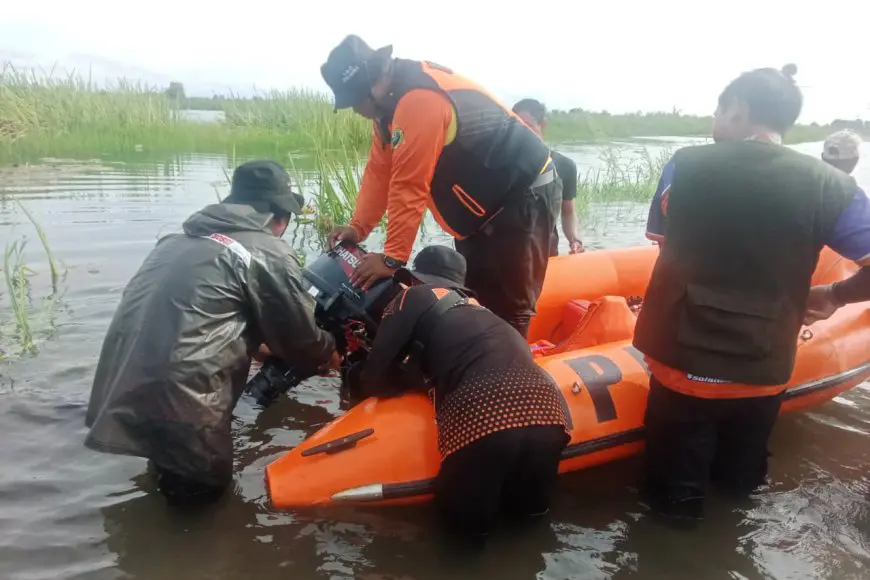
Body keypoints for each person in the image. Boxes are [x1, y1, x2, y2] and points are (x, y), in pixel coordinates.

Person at [634, 64, 870, 524]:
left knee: (672, 503)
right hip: (764, 367)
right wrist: (835, 295)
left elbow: (665, 244)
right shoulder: (833, 186)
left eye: (718, 110)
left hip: (683, 365)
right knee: (740, 490)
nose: (714, 121)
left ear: (738, 109)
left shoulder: (687, 164)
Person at [84, 160, 340, 505]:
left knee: (165, 482)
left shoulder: (176, 241)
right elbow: (302, 341)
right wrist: (330, 352)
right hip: (187, 406)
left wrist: (262, 348)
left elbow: (206, 319)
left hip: (127, 389)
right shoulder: (267, 250)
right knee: (201, 503)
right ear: (279, 217)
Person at [320, 35, 561, 338]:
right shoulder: (387, 109)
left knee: (512, 304)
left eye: (355, 100)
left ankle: (511, 359)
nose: (355, 109)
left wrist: (392, 259)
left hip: (524, 192)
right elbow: (379, 173)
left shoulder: (418, 99)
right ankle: (477, 346)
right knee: (475, 293)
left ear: (372, 83)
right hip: (481, 207)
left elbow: (408, 185)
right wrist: (358, 228)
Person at [356, 245, 570, 544]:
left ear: (415, 279)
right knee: (528, 528)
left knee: (464, 539)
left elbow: (373, 380)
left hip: (486, 416)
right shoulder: (483, 312)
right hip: (550, 411)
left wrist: (409, 381)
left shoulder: (411, 296)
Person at [512, 98, 584, 256]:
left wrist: (575, 240)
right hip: (507, 248)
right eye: (517, 128)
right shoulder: (503, 164)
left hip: (545, 250)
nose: (522, 134)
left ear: (542, 125)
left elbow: (568, 213)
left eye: (528, 127)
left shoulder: (564, 166)